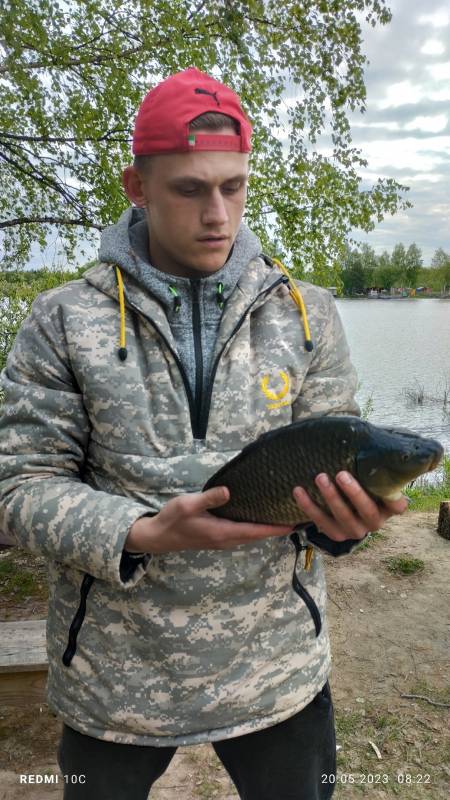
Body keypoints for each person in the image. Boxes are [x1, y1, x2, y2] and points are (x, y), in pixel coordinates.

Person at [0, 67, 407, 800]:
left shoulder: (306, 314)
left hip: (277, 668)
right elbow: (19, 487)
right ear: (137, 186)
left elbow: (335, 480)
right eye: (190, 189)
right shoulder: (61, 321)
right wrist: (139, 531)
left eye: (234, 186)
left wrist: (348, 526)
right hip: (114, 680)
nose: (218, 213)